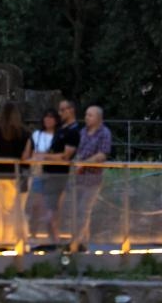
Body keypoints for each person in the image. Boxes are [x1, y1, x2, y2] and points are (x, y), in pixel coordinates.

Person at [0, 102, 32, 248]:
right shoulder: (25, 135)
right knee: (10, 210)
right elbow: (26, 156)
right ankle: (10, 240)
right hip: (14, 176)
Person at [41, 99, 82, 246]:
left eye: (63, 110)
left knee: (53, 210)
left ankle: (56, 241)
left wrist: (44, 156)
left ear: (71, 110)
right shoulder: (62, 129)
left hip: (59, 175)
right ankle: (53, 241)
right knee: (50, 208)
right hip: (50, 174)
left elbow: (66, 156)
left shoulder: (73, 131)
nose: (60, 113)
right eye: (60, 110)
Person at [71, 105, 112, 252]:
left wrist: (84, 163)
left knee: (84, 210)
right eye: (86, 115)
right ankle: (83, 242)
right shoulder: (82, 132)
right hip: (79, 178)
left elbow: (102, 154)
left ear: (98, 118)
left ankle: (76, 243)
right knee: (78, 211)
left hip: (93, 178)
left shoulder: (104, 133)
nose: (87, 117)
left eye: (90, 115)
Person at [25, 108, 60, 247]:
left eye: (51, 117)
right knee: (36, 206)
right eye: (46, 117)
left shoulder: (59, 136)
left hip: (54, 174)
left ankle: (53, 237)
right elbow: (29, 153)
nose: (48, 120)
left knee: (52, 208)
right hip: (38, 172)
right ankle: (32, 234)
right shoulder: (37, 135)